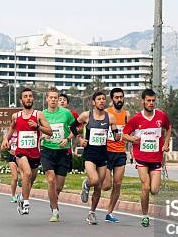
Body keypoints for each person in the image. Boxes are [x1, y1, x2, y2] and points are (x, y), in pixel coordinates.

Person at [69, 91, 120, 225]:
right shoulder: (87, 115)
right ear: (93, 102)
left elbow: (116, 134)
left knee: (99, 187)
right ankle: (86, 184)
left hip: (103, 155)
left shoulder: (110, 118)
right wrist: (80, 138)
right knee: (95, 180)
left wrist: (117, 136)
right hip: (89, 154)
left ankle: (91, 212)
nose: (102, 101)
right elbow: (73, 126)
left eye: (104, 99)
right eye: (99, 99)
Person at [122, 88, 172, 227]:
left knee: (154, 190)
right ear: (143, 101)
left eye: (153, 101)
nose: (151, 103)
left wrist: (166, 142)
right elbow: (124, 134)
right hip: (141, 158)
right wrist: (133, 139)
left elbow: (168, 128)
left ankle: (149, 195)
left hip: (156, 158)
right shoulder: (136, 119)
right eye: (148, 101)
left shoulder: (161, 116)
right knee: (145, 186)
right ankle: (145, 216)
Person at [1, 87, 52, 216]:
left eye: (30, 96)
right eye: (25, 96)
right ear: (21, 100)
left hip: (34, 153)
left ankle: (21, 198)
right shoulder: (16, 116)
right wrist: (5, 140)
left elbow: (50, 132)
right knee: (27, 174)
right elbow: (11, 129)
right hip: (20, 152)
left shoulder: (38, 115)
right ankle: (26, 203)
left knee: (30, 180)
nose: (28, 98)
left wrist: (38, 126)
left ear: (33, 98)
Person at [41, 87, 76, 222]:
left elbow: (75, 129)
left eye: (56, 97)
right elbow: (37, 130)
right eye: (51, 97)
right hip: (47, 150)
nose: (54, 100)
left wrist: (67, 139)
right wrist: (42, 136)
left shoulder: (66, 113)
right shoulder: (42, 114)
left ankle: (53, 200)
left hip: (62, 152)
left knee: (59, 186)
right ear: (47, 99)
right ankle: (55, 211)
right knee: (50, 180)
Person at [101, 88, 131, 223]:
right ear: (112, 99)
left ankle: (109, 213)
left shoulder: (126, 114)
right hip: (106, 152)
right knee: (106, 185)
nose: (119, 100)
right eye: (116, 97)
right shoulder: (107, 113)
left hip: (120, 153)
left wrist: (132, 150)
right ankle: (90, 181)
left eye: (121, 97)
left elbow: (129, 133)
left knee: (117, 183)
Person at [7, 131, 20, 203]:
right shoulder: (10, 134)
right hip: (12, 156)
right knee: (15, 177)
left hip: (20, 156)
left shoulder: (21, 132)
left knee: (23, 177)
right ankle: (13, 195)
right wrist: (9, 144)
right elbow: (7, 147)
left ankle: (22, 195)